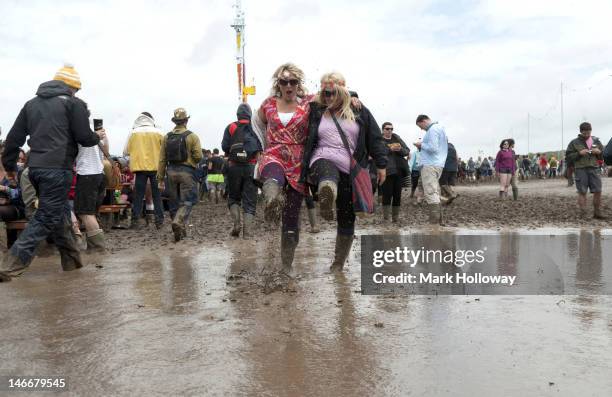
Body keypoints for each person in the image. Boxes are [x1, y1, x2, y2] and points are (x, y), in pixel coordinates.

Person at [0, 63, 104, 281]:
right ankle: (10, 265)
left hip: (34, 169)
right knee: (46, 217)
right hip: (57, 169)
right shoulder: (73, 104)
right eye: (76, 89)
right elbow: (84, 138)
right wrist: (97, 137)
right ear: (71, 87)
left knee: (60, 215)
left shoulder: (31, 104)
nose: (75, 93)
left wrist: (10, 166)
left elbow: (14, 137)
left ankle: (73, 265)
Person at [301, 72, 386, 271]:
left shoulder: (358, 110)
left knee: (347, 216)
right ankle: (326, 194)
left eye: (333, 93)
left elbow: (375, 137)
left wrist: (382, 164)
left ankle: (338, 263)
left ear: (342, 91)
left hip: (351, 168)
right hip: (322, 158)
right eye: (325, 93)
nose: (329, 97)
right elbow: (291, 101)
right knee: (327, 173)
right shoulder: (315, 109)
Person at [157, 108, 203, 242]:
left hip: (170, 172)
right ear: (186, 120)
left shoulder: (167, 137)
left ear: (175, 121)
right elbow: (198, 156)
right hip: (186, 172)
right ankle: (178, 222)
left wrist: (160, 178)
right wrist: (192, 162)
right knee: (188, 201)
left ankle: (179, 231)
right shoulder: (192, 136)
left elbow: (162, 159)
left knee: (174, 202)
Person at [221, 103, 263, 239]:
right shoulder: (255, 128)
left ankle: (236, 224)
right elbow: (261, 147)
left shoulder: (231, 127)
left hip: (234, 166)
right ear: (250, 114)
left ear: (237, 115)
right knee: (250, 201)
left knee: (233, 198)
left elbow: (224, 146)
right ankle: (248, 233)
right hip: (251, 167)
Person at [124, 112, 164, 229]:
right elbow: (164, 150)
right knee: (157, 196)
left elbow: (126, 151)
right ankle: (159, 220)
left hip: (139, 168)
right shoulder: (159, 132)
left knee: (138, 196)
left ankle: (135, 221)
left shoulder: (133, 132)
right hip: (156, 168)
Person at [74, 117, 109, 251]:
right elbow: (106, 152)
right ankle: (94, 247)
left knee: (85, 213)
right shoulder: (98, 132)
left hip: (87, 174)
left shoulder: (79, 131)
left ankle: (98, 249)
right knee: (91, 213)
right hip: (100, 174)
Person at [565, 122, 607, 219]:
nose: (587, 134)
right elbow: (568, 157)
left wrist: (599, 152)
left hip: (594, 168)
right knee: (582, 192)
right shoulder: (574, 142)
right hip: (580, 170)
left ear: (591, 131)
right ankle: (583, 214)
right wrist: (579, 153)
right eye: (585, 133)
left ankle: (597, 213)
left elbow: (603, 155)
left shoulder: (596, 141)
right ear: (581, 132)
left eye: (588, 132)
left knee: (598, 191)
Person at [415, 115, 448, 225]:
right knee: (434, 191)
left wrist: (421, 144)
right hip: (439, 163)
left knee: (430, 192)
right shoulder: (440, 128)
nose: (422, 129)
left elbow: (433, 148)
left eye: (421, 126)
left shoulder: (432, 130)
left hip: (430, 164)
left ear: (423, 121)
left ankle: (434, 223)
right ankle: (439, 221)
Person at [379, 122, 409, 222]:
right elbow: (377, 153)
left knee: (397, 195)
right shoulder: (379, 140)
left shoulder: (397, 138)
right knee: (387, 195)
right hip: (386, 170)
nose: (390, 131)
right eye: (387, 129)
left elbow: (407, 151)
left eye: (391, 129)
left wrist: (399, 149)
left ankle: (395, 218)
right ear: (383, 129)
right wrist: (389, 149)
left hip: (399, 170)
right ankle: (386, 218)